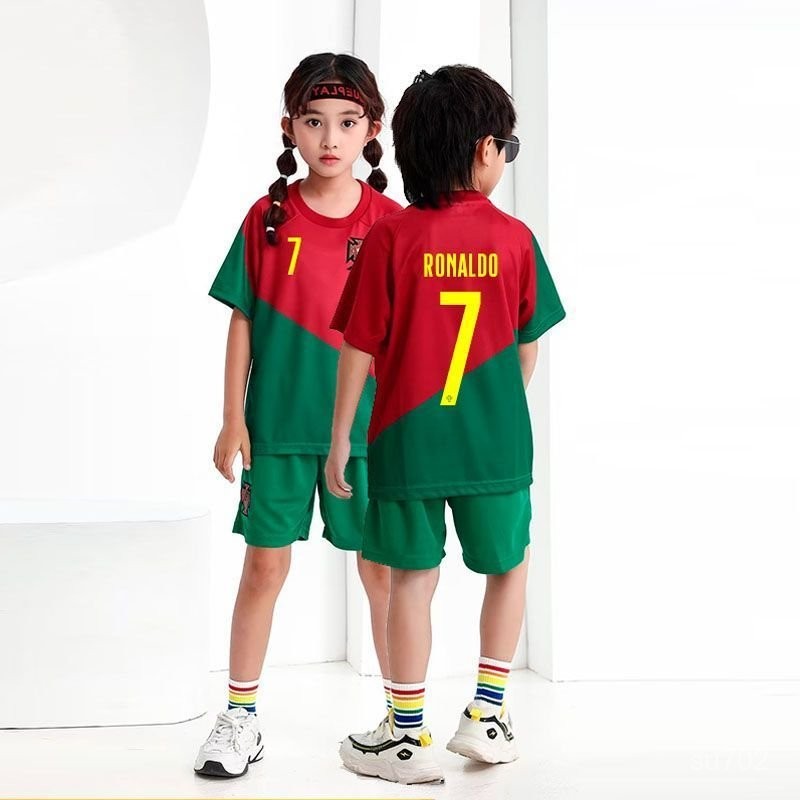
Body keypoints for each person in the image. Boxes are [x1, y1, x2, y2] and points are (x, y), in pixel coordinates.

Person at [325, 64, 566, 785]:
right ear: (486, 148)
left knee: (410, 579)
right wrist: (492, 409)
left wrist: (340, 439)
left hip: (406, 442)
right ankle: (487, 715)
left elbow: (358, 347)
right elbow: (526, 348)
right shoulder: (515, 239)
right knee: (509, 566)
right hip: (494, 444)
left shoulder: (390, 238)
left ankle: (405, 737)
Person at [195, 52, 402, 778]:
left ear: (372, 129)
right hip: (277, 428)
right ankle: (239, 717)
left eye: (347, 122)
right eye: (314, 122)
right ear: (290, 127)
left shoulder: (391, 224)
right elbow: (243, 320)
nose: (329, 138)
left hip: (367, 436)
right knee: (263, 567)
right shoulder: (268, 217)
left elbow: (407, 334)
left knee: (383, 574)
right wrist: (232, 417)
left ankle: (402, 719)